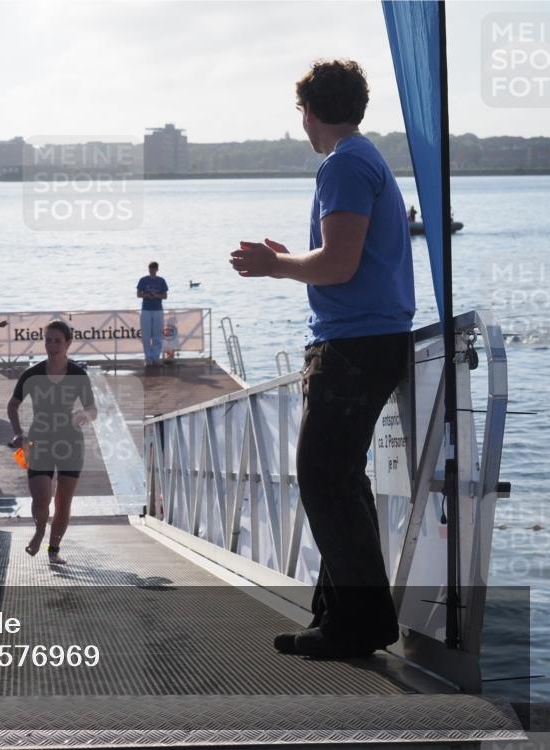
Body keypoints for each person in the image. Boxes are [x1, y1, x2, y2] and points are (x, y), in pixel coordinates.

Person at [229, 59, 414, 659]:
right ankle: (339, 616)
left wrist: (273, 265)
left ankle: (359, 623)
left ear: (309, 112)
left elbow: (339, 265)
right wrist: (292, 258)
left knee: (323, 478)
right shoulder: (365, 159)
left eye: (301, 114)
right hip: (371, 340)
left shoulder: (343, 165)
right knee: (339, 480)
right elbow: (343, 255)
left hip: (354, 347)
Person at [7, 320, 97, 565]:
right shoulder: (33, 374)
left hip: (71, 443)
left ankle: (53, 549)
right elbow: (13, 405)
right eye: (48, 340)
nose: (52, 345)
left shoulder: (78, 375)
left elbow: (92, 409)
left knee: (62, 502)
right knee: (41, 500)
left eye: (58, 340)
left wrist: (83, 415)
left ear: (68, 343)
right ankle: (39, 531)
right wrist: (18, 433)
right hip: (40, 440)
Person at [137, 261, 168, 365]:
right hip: (146, 309)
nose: (152, 270)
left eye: (153, 268)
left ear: (157, 269)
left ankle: (156, 357)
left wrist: (156, 296)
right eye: (150, 268)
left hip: (158, 309)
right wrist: (146, 295)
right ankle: (148, 357)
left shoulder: (161, 280)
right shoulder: (143, 280)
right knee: (146, 335)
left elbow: (165, 296)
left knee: (157, 335)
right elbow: (138, 294)